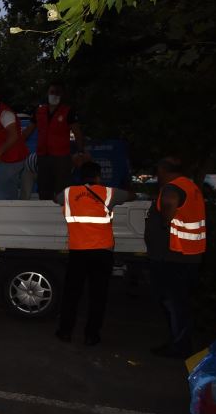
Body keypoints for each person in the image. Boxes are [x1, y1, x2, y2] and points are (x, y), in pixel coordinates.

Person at [54, 161, 134, 346]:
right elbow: (132, 195)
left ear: (81, 177)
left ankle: (65, 332)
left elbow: (54, 197)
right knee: (98, 296)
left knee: (71, 295)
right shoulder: (109, 193)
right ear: (98, 176)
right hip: (102, 253)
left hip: (78, 252)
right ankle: (91, 336)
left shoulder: (68, 193)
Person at [145, 157, 206, 359]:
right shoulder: (190, 186)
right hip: (188, 254)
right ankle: (179, 341)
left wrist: (161, 223)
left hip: (173, 256)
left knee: (174, 303)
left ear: (164, 170)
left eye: (158, 170)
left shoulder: (172, 189)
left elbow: (169, 210)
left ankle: (180, 346)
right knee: (179, 302)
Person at [23, 82, 85, 200]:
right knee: (44, 190)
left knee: (62, 191)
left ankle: (62, 215)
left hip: (61, 157)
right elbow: (28, 131)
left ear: (62, 95)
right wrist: (16, 145)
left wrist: (80, 151)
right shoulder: (39, 110)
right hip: (43, 157)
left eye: (57, 92)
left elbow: (77, 133)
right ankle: (44, 216)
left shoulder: (68, 111)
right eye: (52, 92)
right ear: (47, 93)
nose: (54, 95)